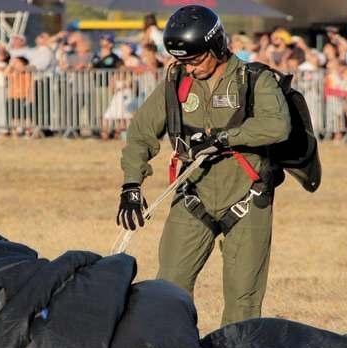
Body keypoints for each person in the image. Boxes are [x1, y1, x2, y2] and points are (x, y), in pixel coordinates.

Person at [117, 5, 290, 326]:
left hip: (247, 198)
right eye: (183, 61)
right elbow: (140, 133)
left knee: (243, 298)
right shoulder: (176, 81)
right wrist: (131, 184)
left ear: (217, 47)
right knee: (167, 289)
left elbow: (277, 126)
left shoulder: (254, 79)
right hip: (192, 196)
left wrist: (224, 138)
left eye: (195, 60)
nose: (190, 68)